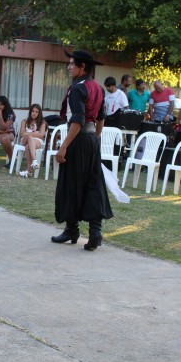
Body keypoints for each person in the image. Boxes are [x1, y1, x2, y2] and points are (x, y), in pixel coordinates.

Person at [51, 49, 113, 251]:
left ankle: (72, 229)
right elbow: (101, 117)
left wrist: (64, 146)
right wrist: (94, 138)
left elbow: (76, 120)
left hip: (77, 139)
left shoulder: (78, 88)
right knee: (92, 183)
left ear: (82, 66)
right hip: (91, 141)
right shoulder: (97, 87)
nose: (69, 67)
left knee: (71, 183)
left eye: (71, 64)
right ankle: (95, 231)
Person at [18, 104, 48, 178]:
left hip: (37, 141)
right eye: (32, 111)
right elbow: (22, 134)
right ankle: (34, 160)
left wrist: (28, 133)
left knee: (28, 146)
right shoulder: (24, 121)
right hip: (24, 140)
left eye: (36, 112)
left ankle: (29, 171)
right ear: (30, 112)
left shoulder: (42, 123)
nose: (34, 113)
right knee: (29, 137)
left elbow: (41, 135)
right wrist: (35, 133)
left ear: (39, 113)